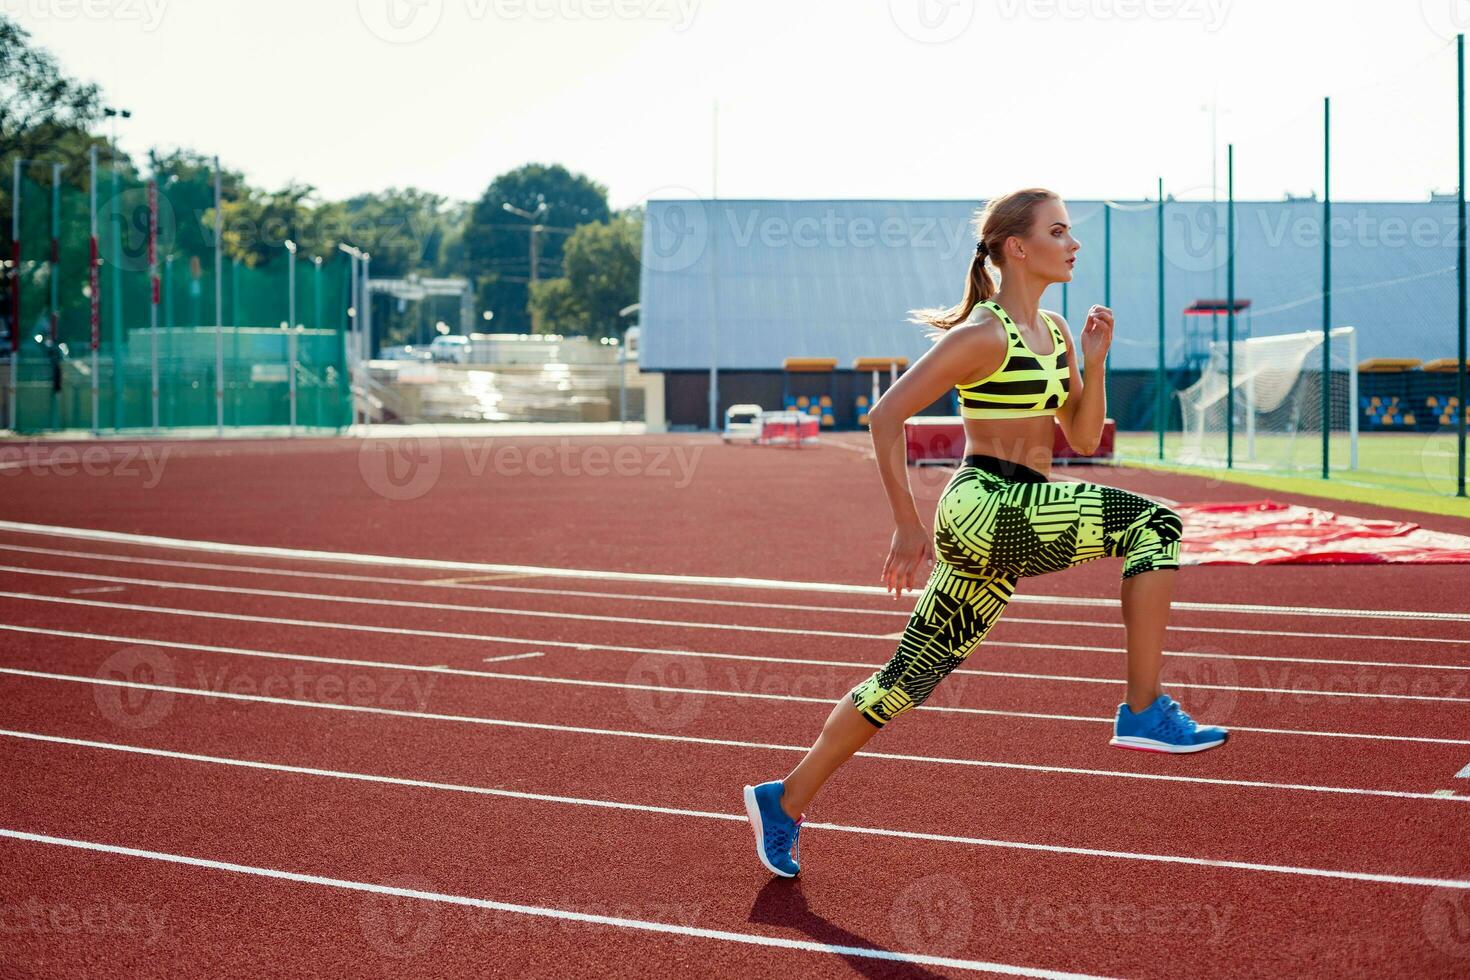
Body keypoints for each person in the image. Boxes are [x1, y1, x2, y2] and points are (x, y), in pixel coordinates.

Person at [742, 188, 1226, 879]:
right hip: (985, 503)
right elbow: (885, 417)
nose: (1074, 243)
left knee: (904, 681)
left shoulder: (1056, 332)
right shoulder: (981, 334)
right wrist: (907, 525)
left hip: (1024, 510)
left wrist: (1094, 360)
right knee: (1157, 523)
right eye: (1058, 231)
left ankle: (782, 800)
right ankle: (1143, 709)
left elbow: (1084, 438)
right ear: (1016, 248)